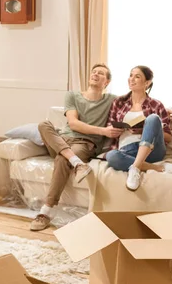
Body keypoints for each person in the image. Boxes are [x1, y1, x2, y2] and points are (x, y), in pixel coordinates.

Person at [30, 64, 122, 231]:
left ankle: (46, 212)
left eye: (101, 74)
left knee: (61, 159)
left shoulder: (112, 100)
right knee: (43, 124)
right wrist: (103, 131)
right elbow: (73, 123)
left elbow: (139, 102)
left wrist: (167, 112)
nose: (95, 74)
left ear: (106, 82)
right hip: (62, 140)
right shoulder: (72, 95)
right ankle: (76, 162)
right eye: (94, 71)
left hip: (84, 144)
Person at [105, 65, 172, 191]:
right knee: (111, 156)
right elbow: (109, 127)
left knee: (152, 118)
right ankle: (158, 168)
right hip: (126, 151)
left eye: (137, 76)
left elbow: (168, 136)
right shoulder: (119, 102)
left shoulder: (156, 105)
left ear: (147, 82)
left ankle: (134, 169)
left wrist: (145, 129)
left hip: (153, 151)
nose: (131, 79)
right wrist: (115, 130)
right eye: (131, 75)